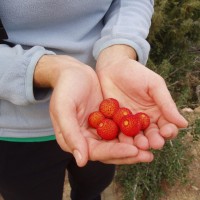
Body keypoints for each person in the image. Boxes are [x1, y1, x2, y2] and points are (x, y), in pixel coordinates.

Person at [0, 1, 188, 200]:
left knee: (93, 189)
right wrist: (48, 69)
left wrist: (119, 49)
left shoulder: (105, 120)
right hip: (16, 132)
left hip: (97, 102)